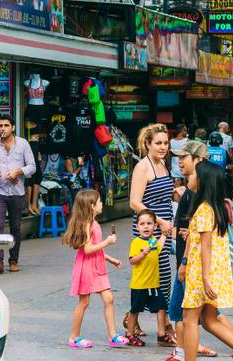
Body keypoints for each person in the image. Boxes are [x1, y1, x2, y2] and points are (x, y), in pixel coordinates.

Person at [180, 160, 233, 361]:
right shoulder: (215, 208)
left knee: (189, 320)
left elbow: (206, 246)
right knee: (209, 320)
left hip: (202, 272)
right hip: (214, 270)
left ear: (202, 181)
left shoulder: (203, 209)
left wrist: (205, 278)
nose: (189, 177)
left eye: (193, 175)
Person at [166, 140, 222, 361]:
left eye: (184, 157)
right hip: (187, 263)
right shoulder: (190, 190)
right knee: (185, 314)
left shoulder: (198, 193)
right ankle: (182, 352)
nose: (179, 162)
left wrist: (185, 262)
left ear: (198, 160)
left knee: (204, 318)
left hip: (192, 266)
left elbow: (204, 239)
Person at [129, 123, 176, 347]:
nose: (163, 147)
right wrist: (159, 221)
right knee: (153, 277)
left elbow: (164, 195)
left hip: (164, 228)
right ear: (147, 144)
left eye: (165, 143)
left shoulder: (163, 164)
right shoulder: (142, 167)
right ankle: (160, 325)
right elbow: (134, 202)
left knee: (163, 277)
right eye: (158, 143)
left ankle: (154, 322)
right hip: (148, 229)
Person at [64, 189, 128, 349]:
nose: (102, 204)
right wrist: (107, 242)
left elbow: (95, 248)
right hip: (87, 268)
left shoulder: (94, 223)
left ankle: (112, 335)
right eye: (99, 201)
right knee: (84, 302)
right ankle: (74, 337)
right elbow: (87, 250)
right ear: (92, 206)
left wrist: (110, 258)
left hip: (97, 266)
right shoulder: (87, 225)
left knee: (109, 298)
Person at [0, 115, 36, 273]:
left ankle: (13, 260)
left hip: (16, 192)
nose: (2, 128)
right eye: (0, 125)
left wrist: (18, 171)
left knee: (15, 227)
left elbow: (32, 167)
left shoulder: (23, 144)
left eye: (6, 125)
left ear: (12, 127)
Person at [125, 210, 169, 346]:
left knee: (162, 307)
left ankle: (162, 335)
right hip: (139, 285)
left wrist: (164, 235)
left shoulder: (153, 240)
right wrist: (142, 254)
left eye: (149, 223)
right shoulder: (136, 242)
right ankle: (130, 335)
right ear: (137, 227)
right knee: (135, 310)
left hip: (154, 285)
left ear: (155, 226)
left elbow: (158, 247)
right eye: (142, 224)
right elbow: (132, 260)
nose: (146, 226)